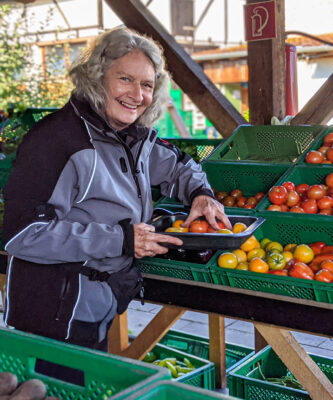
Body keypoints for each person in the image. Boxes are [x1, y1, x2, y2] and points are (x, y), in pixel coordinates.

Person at [2, 27, 230, 352]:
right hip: (53, 310)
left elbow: (179, 165)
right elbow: (21, 234)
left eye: (147, 85)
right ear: (97, 77)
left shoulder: (132, 136)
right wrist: (121, 239)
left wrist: (201, 195)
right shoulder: (54, 141)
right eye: (125, 79)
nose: (137, 95)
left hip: (98, 300)